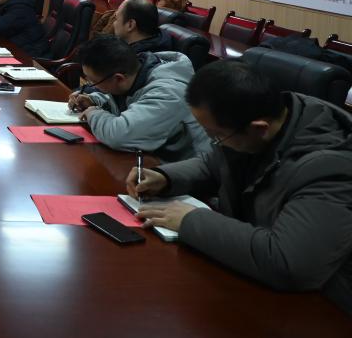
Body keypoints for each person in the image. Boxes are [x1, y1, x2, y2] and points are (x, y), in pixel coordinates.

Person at [128, 61, 352, 315]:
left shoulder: (331, 169)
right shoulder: (264, 119)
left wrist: (191, 220)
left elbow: (289, 263)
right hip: (252, 278)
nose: (213, 142)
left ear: (259, 129)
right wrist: (165, 177)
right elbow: (215, 163)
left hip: (325, 309)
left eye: (215, 135)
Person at [69, 36, 209, 160]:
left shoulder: (167, 94)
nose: (91, 85)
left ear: (119, 78)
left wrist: (93, 113)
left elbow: (120, 136)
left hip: (181, 170)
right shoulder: (135, 71)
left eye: (94, 81)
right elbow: (127, 101)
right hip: (148, 158)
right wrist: (94, 100)